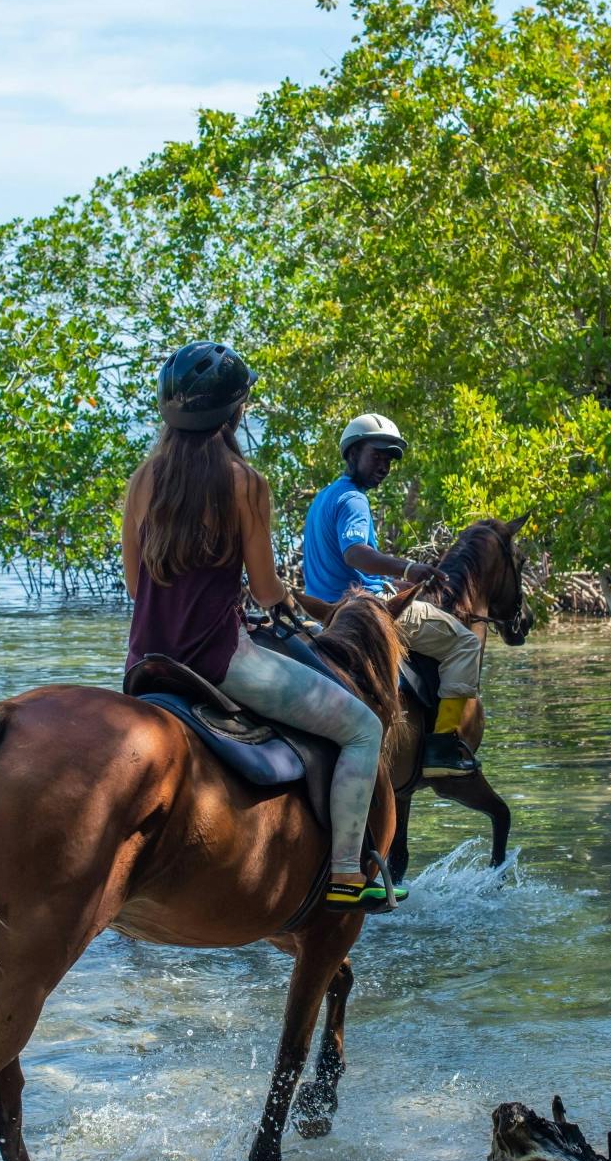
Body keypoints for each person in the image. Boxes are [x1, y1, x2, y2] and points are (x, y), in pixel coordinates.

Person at [122, 342, 402, 911]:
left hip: (146, 658)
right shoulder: (244, 483)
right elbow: (270, 589)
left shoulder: (143, 478)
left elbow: (135, 584)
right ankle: (347, 872)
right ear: (235, 413)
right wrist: (266, 606)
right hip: (221, 659)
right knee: (362, 729)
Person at [301, 413, 486, 777]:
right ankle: (443, 747)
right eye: (378, 455)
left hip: (325, 612)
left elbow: (346, 567)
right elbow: (355, 553)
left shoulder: (325, 497)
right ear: (352, 452)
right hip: (363, 613)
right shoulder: (354, 500)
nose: (384, 465)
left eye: (390, 459)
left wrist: (397, 586)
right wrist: (408, 569)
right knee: (465, 642)